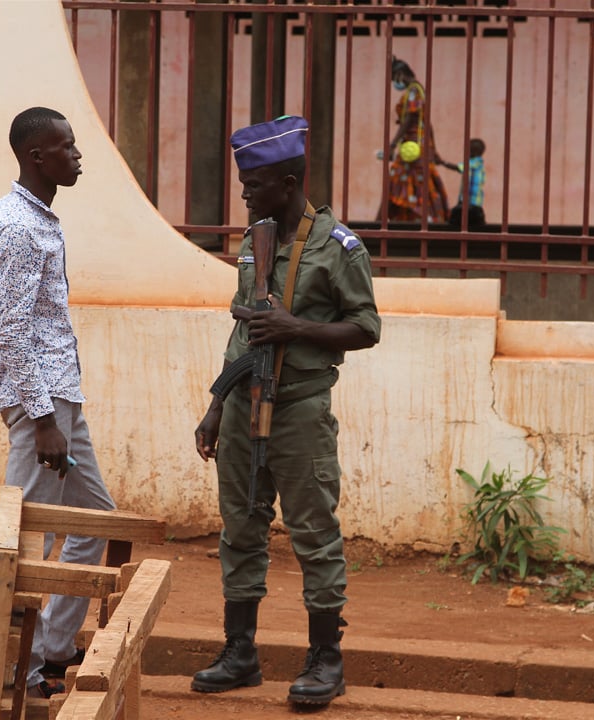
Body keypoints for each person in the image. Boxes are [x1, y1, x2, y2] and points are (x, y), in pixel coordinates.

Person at [192, 116, 381, 707]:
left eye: (255, 184)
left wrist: (297, 327)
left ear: (290, 180)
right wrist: (216, 404)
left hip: (300, 410)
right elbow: (241, 333)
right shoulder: (256, 241)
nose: (245, 194)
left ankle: (326, 660)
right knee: (241, 529)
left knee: (314, 535)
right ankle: (240, 652)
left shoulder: (339, 247)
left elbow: (367, 328)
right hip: (245, 407)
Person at [0, 106, 115, 699]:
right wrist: (42, 419)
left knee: (93, 521)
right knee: (25, 541)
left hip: (59, 397)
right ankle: (16, 676)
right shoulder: (16, 226)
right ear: (37, 156)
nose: (77, 155)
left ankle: (52, 649)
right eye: (67, 146)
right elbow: (9, 329)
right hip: (42, 407)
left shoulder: (40, 221)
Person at [381, 56, 449, 225]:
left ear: (401, 74)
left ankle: (381, 221)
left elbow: (410, 118)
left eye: (394, 78)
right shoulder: (418, 90)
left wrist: (392, 143)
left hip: (413, 147)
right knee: (417, 182)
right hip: (418, 145)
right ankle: (415, 218)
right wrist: (434, 147)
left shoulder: (413, 91)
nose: (394, 83)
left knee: (402, 180)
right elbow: (426, 122)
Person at [440, 138, 486, 229]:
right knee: (476, 227)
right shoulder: (480, 164)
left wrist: (443, 162)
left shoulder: (474, 163)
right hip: (477, 204)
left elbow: (458, 168)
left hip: (468, 203)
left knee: (454, 223)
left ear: (473, 152)